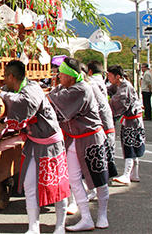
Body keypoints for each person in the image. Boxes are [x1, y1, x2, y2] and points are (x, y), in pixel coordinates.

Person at [0, 60, 70, 234]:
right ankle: (33, 226)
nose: (3, 80)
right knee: (30, 186)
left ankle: (60, 226)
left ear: (11, 76)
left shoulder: (32, 89)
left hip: (51, 145)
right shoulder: (15, 89)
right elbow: (7, 95)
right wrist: (3, 94)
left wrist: (3, 96)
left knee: (57, 186)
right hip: (33, 144)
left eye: (5, 76)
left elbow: (23, 104)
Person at [47, 57, 110, 232]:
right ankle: (86, 218)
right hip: (74, 138)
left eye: (62, 73)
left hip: (91, 139)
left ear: (71, 76)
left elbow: (54, 100)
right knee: (74, 179)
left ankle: (103, 214)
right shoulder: (68, 87)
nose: (58, 75)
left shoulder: (81, 89)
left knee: (99, 178)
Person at [108, 65, 145, 185]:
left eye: (110, 75)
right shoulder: (119, 85)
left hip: (132, 121)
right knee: (132, 145)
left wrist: (108, 102)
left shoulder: (126, 86)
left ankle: (127, 174)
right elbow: (109, 89)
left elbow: (119, 102)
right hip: (131, 119)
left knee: (129, 146)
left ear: (117, 76)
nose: (108, 77)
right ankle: (134, 174)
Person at [86, 62, 118, 178]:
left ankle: (104, 179)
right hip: (105, 119)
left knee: (102, 151)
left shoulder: (91, 84)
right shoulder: (99, 81)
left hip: (101, 121)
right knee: (106, 150)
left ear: (89, 72)